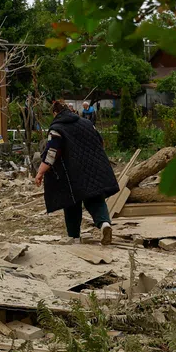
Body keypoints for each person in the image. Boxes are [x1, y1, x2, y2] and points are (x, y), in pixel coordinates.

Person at [34, 100, 118, 245]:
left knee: (71, 203)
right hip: (94, 168)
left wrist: (40, 172)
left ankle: (74, 238)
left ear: (55, 113)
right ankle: (104, 224)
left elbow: (51, 153)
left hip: (72, 172)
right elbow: (100, 141)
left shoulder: (57, 128)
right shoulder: (87, 123)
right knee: (96, 199)